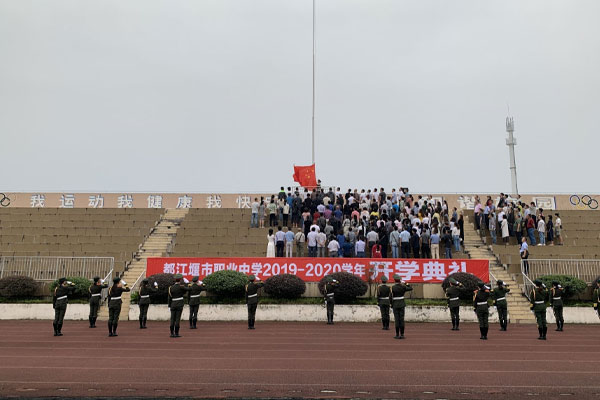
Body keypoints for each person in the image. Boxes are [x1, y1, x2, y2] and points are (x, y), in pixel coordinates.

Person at [390, 274, 412, 339]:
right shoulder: (403, 287)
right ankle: (402, 334)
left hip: (395, 304)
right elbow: (410, 288)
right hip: (402, 304)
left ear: (394, 280)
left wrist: (391, 304)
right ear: (400, 280)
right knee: (401, 319)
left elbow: (390, 297)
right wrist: (406, 283)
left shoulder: (392, 287)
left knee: (397, 320)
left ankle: (397, 334)